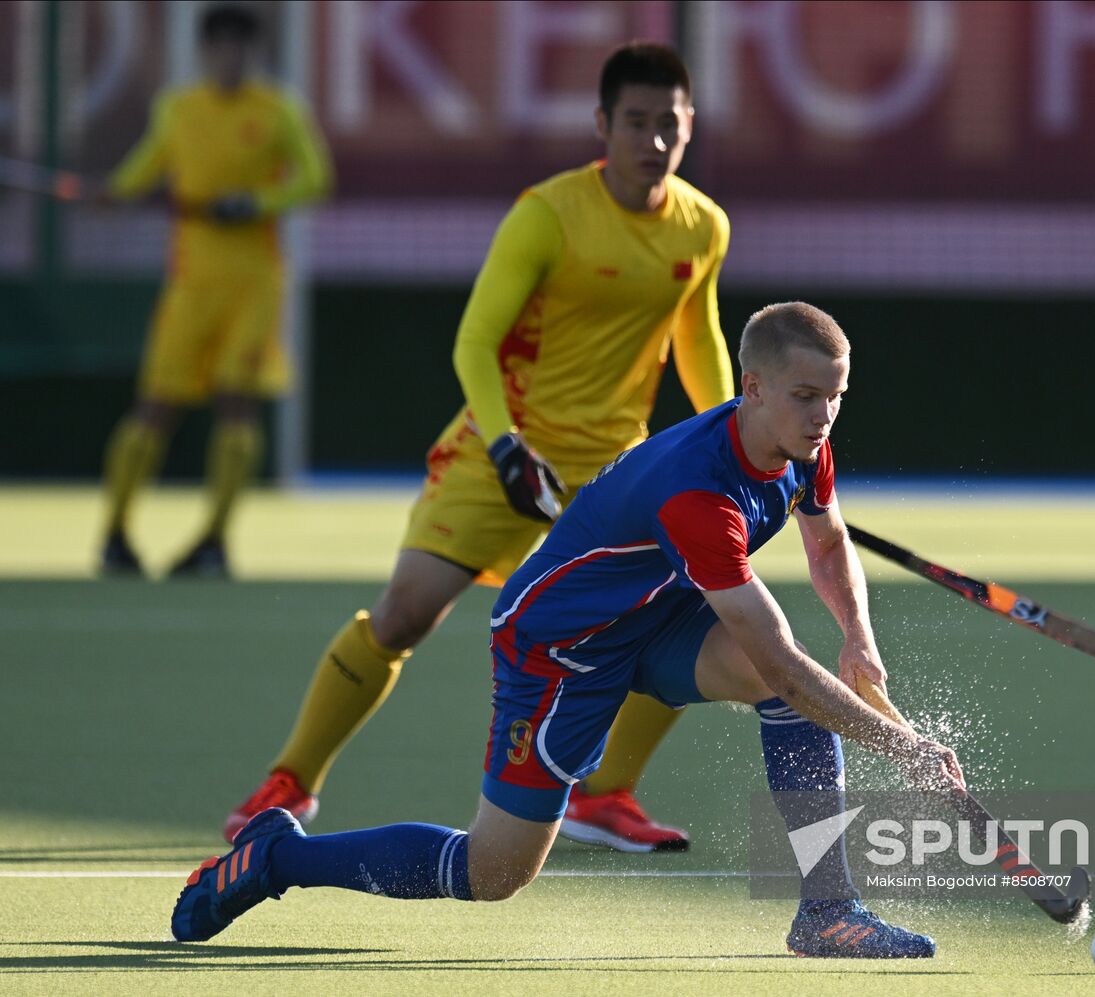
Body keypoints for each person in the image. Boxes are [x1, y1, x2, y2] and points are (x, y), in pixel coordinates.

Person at [172, 302, 965, 958]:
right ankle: (279, 855)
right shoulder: (701, 494)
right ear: (751, 388)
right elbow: (789, 666)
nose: (824, 414)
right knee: (494, 869)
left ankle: (827, 909)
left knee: (769, 678)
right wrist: (907, 749)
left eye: (836, 395)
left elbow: (827, 543)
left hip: (650, 613)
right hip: (558, 647)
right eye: (805, 395)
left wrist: (859, 636)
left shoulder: (800, 445)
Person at [222, 42, 734, 853]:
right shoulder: (547, 213)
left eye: (668, 123)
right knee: (403, 614)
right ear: (604, 125)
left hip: (615, 469)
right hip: (506, 449)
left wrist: (731, 436)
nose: (654, 139)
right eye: (635, 122)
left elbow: (697, 340)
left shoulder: (703, 226)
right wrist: (504, 448)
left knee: (687, 607)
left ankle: (603, 797)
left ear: (689, 125)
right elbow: (474, 342)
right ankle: (292, 779)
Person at [97, 3, 332, 579]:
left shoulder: (279, 112)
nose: (231, 57)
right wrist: (112, 192)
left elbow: (315, 179)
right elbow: (143, 170)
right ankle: (115, 535)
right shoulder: (178, 110)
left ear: (253, 53)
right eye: (221, 46)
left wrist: (257, 203)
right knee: (154, 407)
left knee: (237, 403)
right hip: (190, 285)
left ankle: (214, 540)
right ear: (205, 52)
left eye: (241, 47)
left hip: (254, 284)